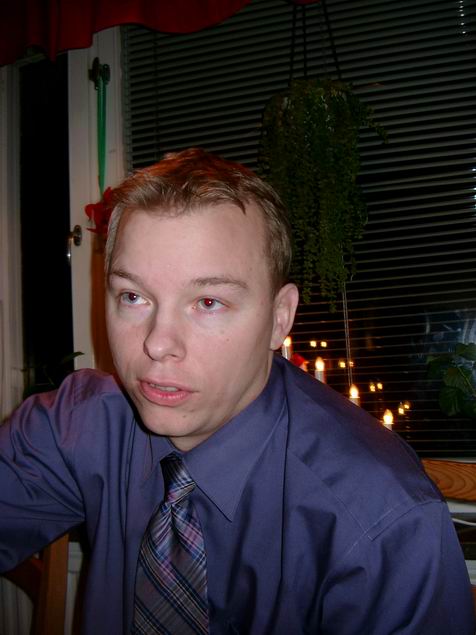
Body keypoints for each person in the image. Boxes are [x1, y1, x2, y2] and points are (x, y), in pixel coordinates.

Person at [0, 148, 474, 634]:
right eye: (133, 296)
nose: (157, 344)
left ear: (280, 318)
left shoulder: (382, 519)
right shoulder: (79, 424)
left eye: (208, 302)